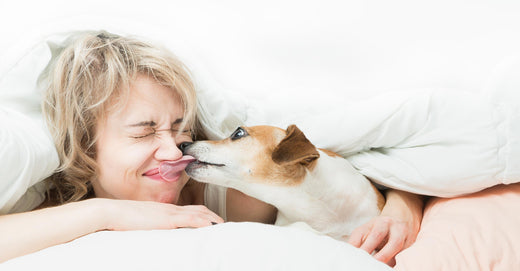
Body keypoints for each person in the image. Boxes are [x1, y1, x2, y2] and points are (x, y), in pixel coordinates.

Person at [0, 31, 423, 264]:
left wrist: (403, 208)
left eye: (178, 127)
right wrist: (105, 212)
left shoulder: (233, 194)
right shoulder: (46, 205)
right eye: (143, 132)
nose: (173, 152)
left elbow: (379, 163)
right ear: (85, 144)